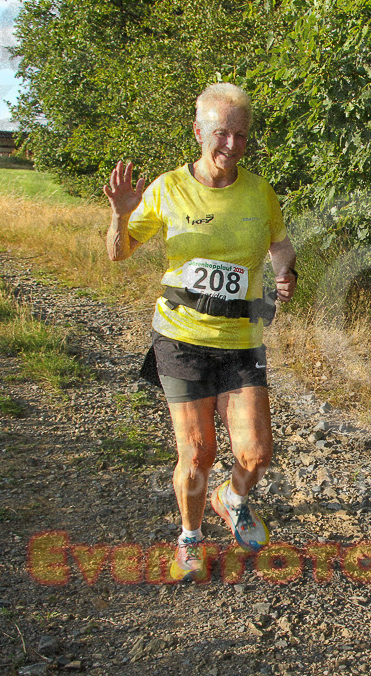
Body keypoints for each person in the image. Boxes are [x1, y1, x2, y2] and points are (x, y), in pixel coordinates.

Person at [104, 83, 296, 581]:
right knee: (197, 451)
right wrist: (120, 215)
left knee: (256, 453)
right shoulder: (168, 188)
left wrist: (286, 273)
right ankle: (189, 538)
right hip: (182, 336)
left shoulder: (259, 191)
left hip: (241, 339)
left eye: (240, 134)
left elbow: (280, 244)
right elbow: (118, 252)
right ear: (198, 133)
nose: (231, 145)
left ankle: (231, 499)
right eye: (221, 133)